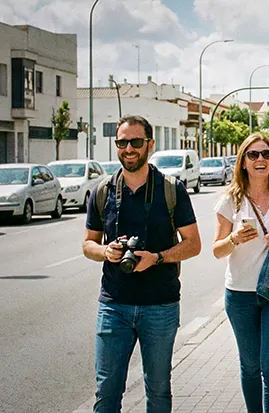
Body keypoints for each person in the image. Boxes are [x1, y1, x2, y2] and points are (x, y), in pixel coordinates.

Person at [82, 115, 201, 413]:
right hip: (114, 305)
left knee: (158, 391)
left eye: (136, 142)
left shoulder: (171, 189)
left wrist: (157, 258)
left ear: (150, 144)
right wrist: (106, 252)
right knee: (106, 392)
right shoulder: (103, 190)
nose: (129, 149)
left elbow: (193, 244)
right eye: (122, 142)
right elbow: (87, 244)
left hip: (160, 305)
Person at [212, 133, 269, 413]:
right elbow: (217, 250)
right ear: (243, 162)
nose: (260, 159)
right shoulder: (230, 200)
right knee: (250, 365)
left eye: (266, 154)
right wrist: (234, 239)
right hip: (240, 294)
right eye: (253, 154)